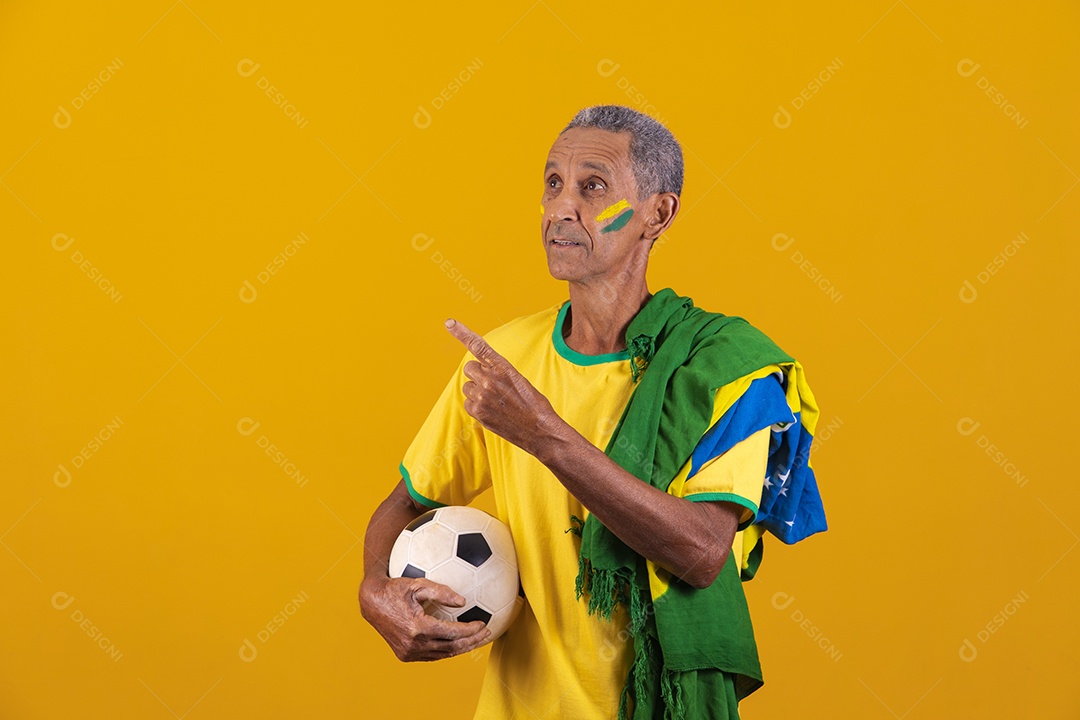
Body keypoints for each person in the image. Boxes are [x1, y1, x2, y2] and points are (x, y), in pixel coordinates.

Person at [359, 105, 827, 720]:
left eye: (593, 187)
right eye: (553, 183)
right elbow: (405, 503)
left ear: (658, 214)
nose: (561, 208)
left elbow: (701, 551)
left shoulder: (722, 369)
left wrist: (545, 435)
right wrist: (375, 592)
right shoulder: (505, 358)